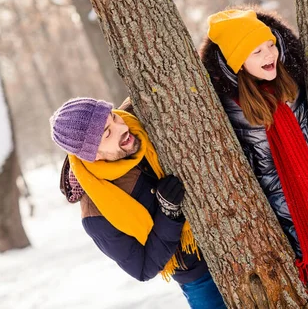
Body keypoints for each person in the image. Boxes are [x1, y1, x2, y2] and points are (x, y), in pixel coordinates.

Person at [199, 8, 308, 308]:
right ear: (236, 62)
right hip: (282, 224)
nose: (269, 54)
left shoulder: (290, 85)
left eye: (270, 44)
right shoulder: (230, 109)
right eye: (255, 51)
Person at [50, 97, 226, 309]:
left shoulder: (140, 110)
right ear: (91, 155)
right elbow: (142, 267)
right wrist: (168, 214)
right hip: (198, 276)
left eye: (113, 116)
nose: (122, 126)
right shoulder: (96, 213)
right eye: (107, 132)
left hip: (233, 229)